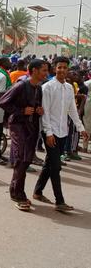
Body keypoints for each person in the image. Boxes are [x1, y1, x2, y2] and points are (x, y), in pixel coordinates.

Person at [34, 56, 88, 212]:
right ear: (54, 68)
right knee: (56, 166)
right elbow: (45, 113)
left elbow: (72, 110)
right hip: (50, 132)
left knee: (49, 164)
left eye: (65, 67)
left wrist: (80, 128)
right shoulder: (48, 87)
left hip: (63, 132)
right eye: (59, 67)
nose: (62, 70)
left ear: (68, 69)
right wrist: (48, 133)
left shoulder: (70, 88)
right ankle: (60, 201)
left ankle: (37, 192)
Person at [0, 59, 47, 211]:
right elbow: (2, 102)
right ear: (33, 70)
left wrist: (39, 110)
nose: (46, 73)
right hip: (18, 125)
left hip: (31, 126)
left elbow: (36, 105)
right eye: (44, 70)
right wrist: (21, 111)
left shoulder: (38, 88)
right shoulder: (20, 85)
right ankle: (17, 194)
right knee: (20, 158)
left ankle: (17, 191)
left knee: (26, 160)